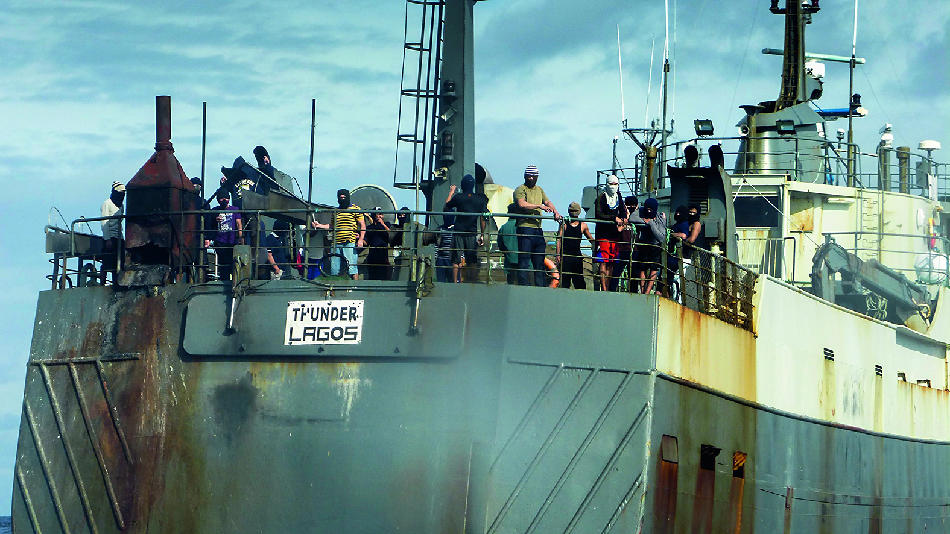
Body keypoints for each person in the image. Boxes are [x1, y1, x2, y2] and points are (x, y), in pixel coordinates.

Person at [514, 165, 561, 286]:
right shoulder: (520, 189)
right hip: (525, 227)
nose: (530, 178)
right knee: (524, 260)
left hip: (537, 230)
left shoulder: (539, 190)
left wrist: (555, 211)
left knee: (539, 262)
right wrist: (538, 206)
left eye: (533, 176)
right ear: (525, 176)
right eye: (528, 176)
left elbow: (547, 201)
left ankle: (540, 288)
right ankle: (523, 287)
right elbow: (521, 204)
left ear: (536, 177)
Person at [311, 189, 365, 280]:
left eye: (344, 197)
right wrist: (319, 225)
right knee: (334, 269)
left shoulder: (356, 209)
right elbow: (332, 226)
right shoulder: (336, 211)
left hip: (349, 242)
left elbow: (362, 224)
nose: (342, 199)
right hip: (336, 243)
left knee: (352, 268)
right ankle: (335, 289)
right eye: (340, 197)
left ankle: (355, 287)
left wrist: (360, 239)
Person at [444, 174, 489, 282]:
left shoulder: (458, 197)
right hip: (471, 233)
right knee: (472, 259)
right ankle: (471, 282)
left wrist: (451, 192)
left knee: (456, 259)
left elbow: (446, 206)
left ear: (463, 185)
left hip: (458, 231)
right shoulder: (480, 199)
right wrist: (482, 235)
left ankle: (455, 283)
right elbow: (483, 218)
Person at [593, 175, 628, 291]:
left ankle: (608, 286)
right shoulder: (601, 198)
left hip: (615, 235)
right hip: (603, 234)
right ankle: (603, 287)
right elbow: (599, 214)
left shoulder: (619, 197)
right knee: (603, 261)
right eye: (611, 184)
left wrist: (623, 219)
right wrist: (614, 218)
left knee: (612, 262)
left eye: (615, 184)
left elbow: (622, 211)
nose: (613, 187)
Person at [206, 193, 244, 281]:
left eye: (226, 198)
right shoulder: (214, 210)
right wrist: (215, 219)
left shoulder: (235, 209)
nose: (223, 200)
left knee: (232, 263)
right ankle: (225, 281)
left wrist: (240, 238)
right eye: (221, 198)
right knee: (223, 264)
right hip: (220, 241)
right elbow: (209, 223)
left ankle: (233, 281)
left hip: (232, 241)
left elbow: (239, 224)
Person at [557, 201, 593, 289]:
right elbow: (559, 239)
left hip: (576, 256)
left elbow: (591, 239)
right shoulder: (564, 224)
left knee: (579, 281)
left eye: (574, 211)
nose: (573, 213)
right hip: (566, 256)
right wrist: (558, 254)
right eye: (572, 211)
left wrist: (597, 247)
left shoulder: (583, 225)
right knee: (565, 281)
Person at [635, 198, 666, 295]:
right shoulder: (640, 211)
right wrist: (644, 221)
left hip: (655, 246)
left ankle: (647, 292)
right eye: (647, 208)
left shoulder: (660, 217)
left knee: (654, 269)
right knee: (642, 268)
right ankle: (643, 291)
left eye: (651, 209)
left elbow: (661, 237)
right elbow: (632, 218)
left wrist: (651, 224)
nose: (648, 211)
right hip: (644, 245)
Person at [611, 195, 642, 292]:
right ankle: (611, 291)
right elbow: (618, 229)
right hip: (622, 248)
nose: (631, 207)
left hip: (634, 249)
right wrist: (626, 217)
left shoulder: (639, 217)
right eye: (629, 205)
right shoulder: (621, 215)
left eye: (633, 206)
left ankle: (633, 293)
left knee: (633, 275)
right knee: (616, 272)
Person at [100, 181, 126, 281]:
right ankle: (103, 281)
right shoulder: (107, 204)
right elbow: (104, 222)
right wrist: (107, 239)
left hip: (119, 237)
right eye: (120, 193)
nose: (122, 195)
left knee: (120, 261)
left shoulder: (121, 205)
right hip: (110, 237)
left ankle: (117, 281)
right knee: (107, 262)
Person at [364, 207, 393, 281]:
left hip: (383, 257)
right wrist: (358, 238)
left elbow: (391, 235)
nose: (379, 216)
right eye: (377, 214)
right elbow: (366, 242)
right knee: (372, 278)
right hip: (372, 257)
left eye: (381, 214)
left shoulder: (387, 224)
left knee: (384, 278)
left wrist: (383, 224)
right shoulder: (369, 228)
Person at [496, 204, 520, 284]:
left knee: (511, 283)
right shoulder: (523, 227)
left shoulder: (503, 227)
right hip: (525, 262)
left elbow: (500, 245)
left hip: (509, 261)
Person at [434, 213, 459, 283]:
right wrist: (436, 258)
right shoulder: (440, 229)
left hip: (453, 260)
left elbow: (460, 244)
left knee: (454, 282)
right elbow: (436, 245)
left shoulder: (457, 229)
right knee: (440, 282)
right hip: (441, 260)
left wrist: (461, 257)